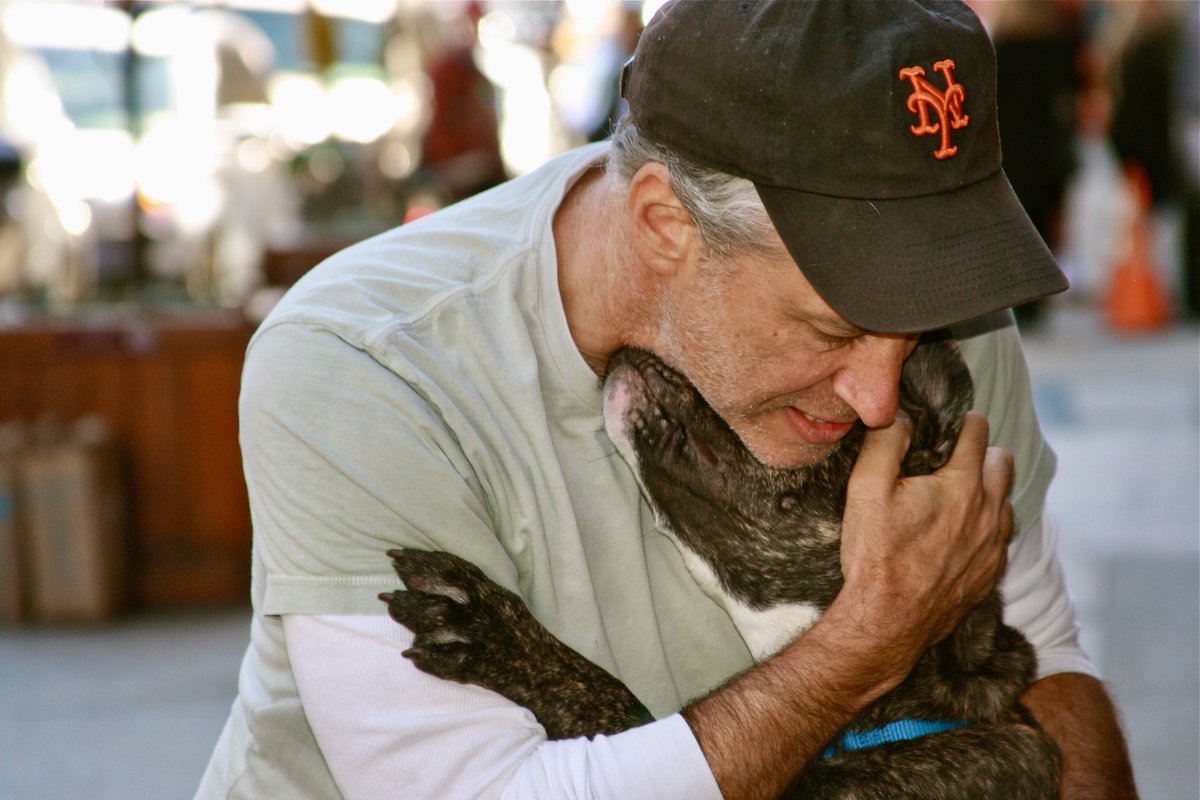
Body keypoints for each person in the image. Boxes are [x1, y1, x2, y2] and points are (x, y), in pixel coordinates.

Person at [196, 2, 1138, 798]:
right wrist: (867, 643)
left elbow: (1040, 658)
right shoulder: (369, 366)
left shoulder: (941, 316)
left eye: (916, 321)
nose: (881, 390)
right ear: (663, 224)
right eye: (831, 330)